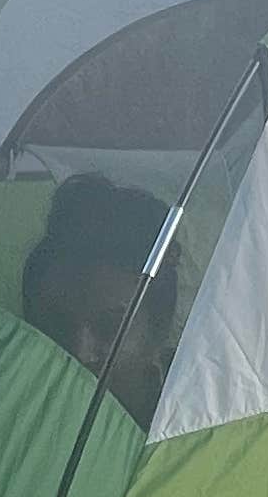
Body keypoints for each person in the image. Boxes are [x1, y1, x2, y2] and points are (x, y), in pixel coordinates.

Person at [19, 172, 181, 425]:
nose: (80, 352)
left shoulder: (210, 421)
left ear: (158, 330)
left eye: (110, 327)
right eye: (57, 325)